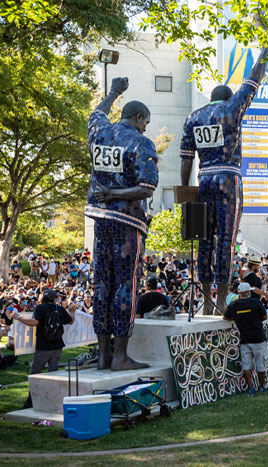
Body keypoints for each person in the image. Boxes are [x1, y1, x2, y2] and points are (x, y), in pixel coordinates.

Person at [180, 49, 268, 313]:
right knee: (226, 241)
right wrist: (265, 50)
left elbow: (186, 159)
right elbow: (252, 82)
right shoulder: (232, 109)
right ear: (228, 99)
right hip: (228, 178)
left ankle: (206, 302)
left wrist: (187, 191)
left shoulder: (193, 118)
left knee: (204, 240)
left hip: (203, 179)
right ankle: (220, 303)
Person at [85, 76, 158, 370]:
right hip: (126, 222)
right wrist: (116, 193)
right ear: (139, 118)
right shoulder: (140, 142)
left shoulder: (99, 132)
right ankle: (120, 356)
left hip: (100, 220)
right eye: (145, 123)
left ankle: (103, 353)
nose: (145, 128)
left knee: (101, 284)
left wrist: (114, 91)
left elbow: (96, 113)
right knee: (125, 286)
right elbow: (147, 187)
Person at [9, 289, 75, 408]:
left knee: (35, 373)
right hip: (58, 345)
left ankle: (31, 399)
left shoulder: (40, 309)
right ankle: (52, 399)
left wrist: (18, 318)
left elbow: (34, 322)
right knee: (53, 373)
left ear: (42, 298)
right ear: (54, 298)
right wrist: (72, 311)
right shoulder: (59, 309)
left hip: (43, 346)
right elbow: (71, 321)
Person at [222, 282, 268, 396]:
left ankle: (250, 388)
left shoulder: (234, 304)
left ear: (239, 292)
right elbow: (264, 316)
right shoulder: (256, 302)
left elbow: (226, 316)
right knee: (260, 364)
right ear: (249, 292)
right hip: (258, 337)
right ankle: (261, 387)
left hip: (244, 338)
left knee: (246, 365)